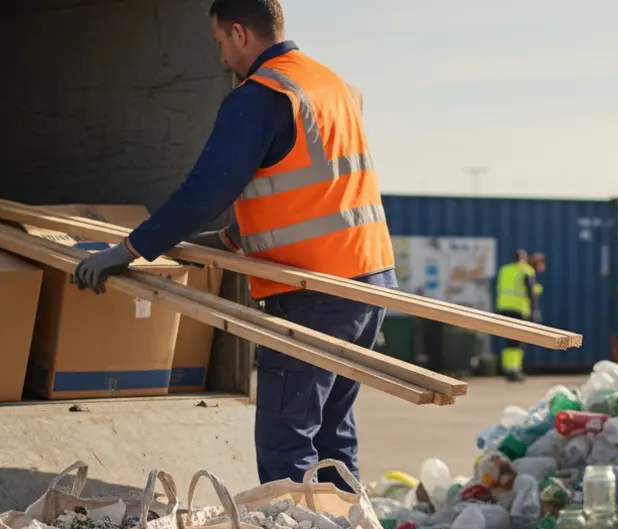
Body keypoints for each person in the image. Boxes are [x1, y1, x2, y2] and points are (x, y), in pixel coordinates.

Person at [72, 0, 397, 490]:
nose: (222, 57)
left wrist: (130, 249)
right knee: (333, 436)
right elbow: (319, 187)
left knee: (286, 442)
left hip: (312, 293)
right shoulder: (332, 85)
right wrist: (230, 239)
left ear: (241, 34)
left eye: (221, 42)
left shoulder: (262, 95)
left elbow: (205, 190)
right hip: (369, 285)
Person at [494, 249, 539, 381]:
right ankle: (515, 369)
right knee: (517, 342)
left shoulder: (504, 270)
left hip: (503, 308)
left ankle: (507, 369)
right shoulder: (526, 270)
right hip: (518, 309)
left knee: (508, 340)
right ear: (523, 258)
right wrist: (534, 310)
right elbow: (531, 291)